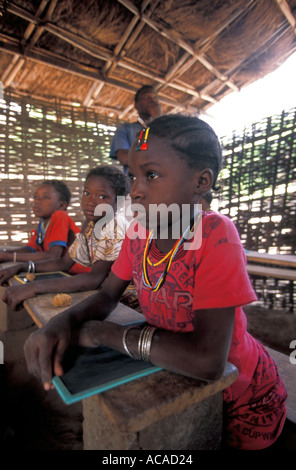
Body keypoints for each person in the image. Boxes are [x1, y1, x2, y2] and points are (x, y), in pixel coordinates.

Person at [23, 115, 287, 451]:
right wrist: (60, 323)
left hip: (242, 398)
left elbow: (208, 361)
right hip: (174, 374)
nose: (135, 190)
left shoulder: (215, 235)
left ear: (201, 181)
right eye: (133, 176)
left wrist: (105, 334)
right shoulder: (139, 233)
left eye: (151, 175)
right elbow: (106, 294)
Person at [2, 165, 133, 310]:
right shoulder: (90, 223)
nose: (90, 201)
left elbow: (94, 279)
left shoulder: (114, 226)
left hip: (128, 295)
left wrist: (34, 287)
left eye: (102, 196)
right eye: (87, 193)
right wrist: (22, 266)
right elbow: (64, 263)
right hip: (104, 291)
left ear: (119, 202)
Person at [0, 180, 81, 268]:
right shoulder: (44, 223)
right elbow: (30, 249)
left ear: (62, 205)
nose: (37, 200)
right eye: (35, 196)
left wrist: (9, 257)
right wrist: (5, 253)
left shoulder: (60, 217)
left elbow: (53, 256)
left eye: (45, 197)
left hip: (79, 272)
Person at [110, 85, 161, 173]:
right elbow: (124, 159)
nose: (152, 100)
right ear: (136, 105)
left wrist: (158, 119)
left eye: (154, 97)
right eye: (146, 96)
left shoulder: (164, 129)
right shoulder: (125, 128)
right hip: (136, 184)